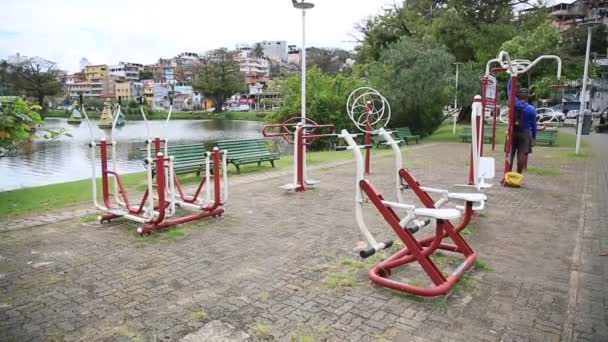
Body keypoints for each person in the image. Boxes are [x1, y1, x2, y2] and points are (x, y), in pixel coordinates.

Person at [510, 88, 537, 174]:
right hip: (525, 133)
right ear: (527, 97)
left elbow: (509, 88)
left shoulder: (513, 105)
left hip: (513, 131)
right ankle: (518, 175)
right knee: (522, 154)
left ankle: (508, 172)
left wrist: (512, 78)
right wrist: (533, 137)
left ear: (518, 96)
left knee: (510, 153)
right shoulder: (531, 109)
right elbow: (534, 125)